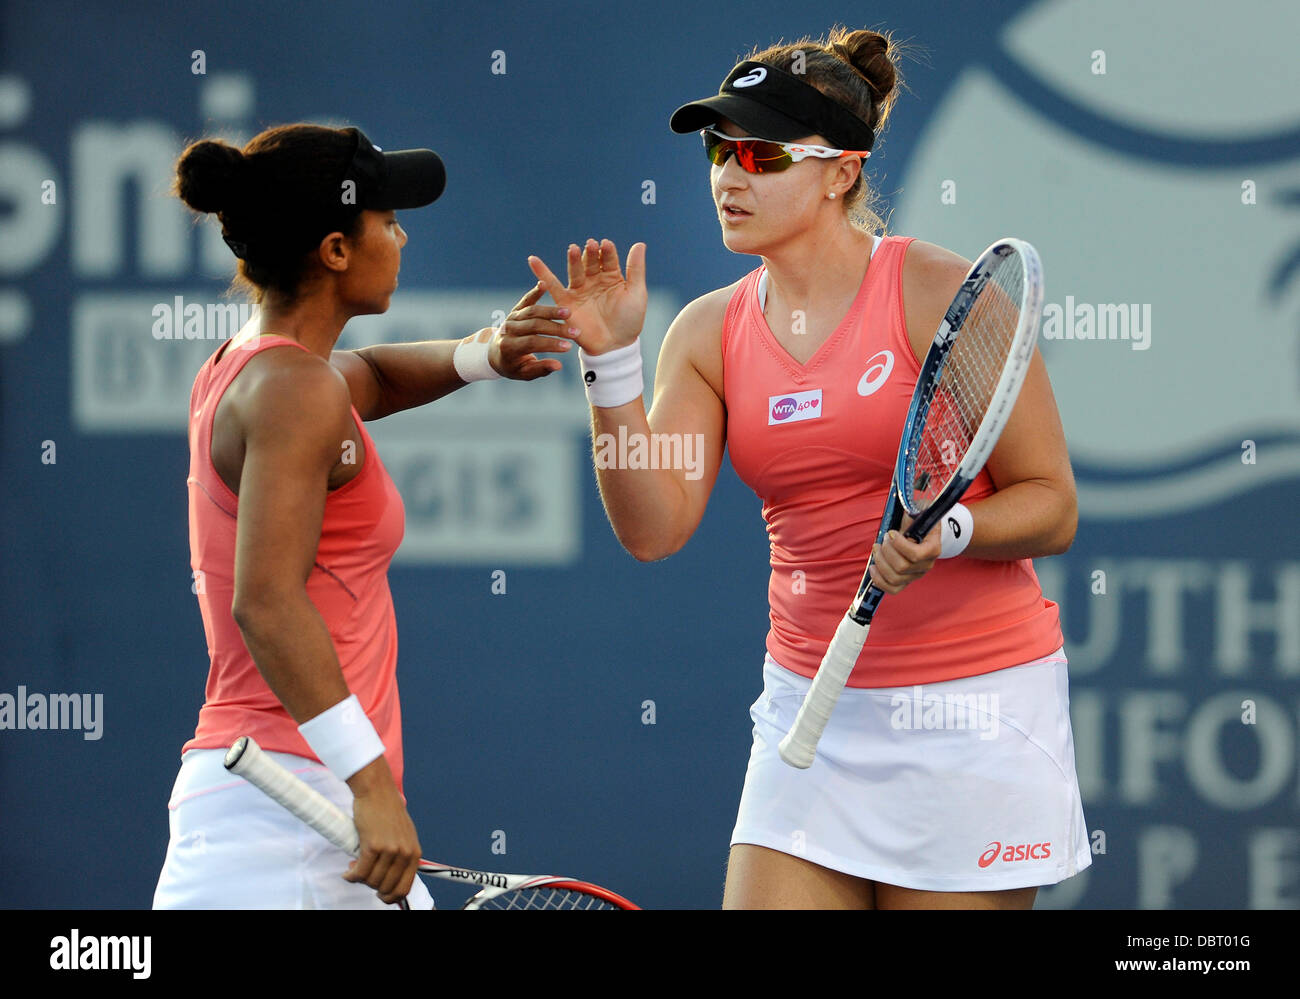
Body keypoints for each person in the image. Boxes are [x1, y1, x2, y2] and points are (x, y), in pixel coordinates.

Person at [527, 27, 1091, 909]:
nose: (728, 175)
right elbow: (653, 527)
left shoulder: (940, 293)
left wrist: (949, 531)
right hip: (808, 709)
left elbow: (1052, 505)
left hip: (975, 716)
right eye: (719, 150)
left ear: (842, 171)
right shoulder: (707, 333)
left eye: (760, 153)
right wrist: (611, 370)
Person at [153, 123, 577, 908]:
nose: (403, 235)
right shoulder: (294, 390)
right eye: (387, 220)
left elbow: (374, 375)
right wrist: (373, 784)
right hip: (283, 822)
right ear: (337, 250)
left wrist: (488, 352)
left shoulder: (260, 368)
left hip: (294, 803)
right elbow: (267, 602)